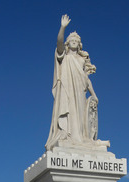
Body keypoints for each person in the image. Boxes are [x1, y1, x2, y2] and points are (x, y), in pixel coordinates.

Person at [45, 14, 104, 151]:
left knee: (81, 118)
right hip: (67, 90)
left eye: (76, 41)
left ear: (79, 45)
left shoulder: (81, 60)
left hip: (80, 92)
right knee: (69, 114)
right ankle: (68, 136)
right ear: (68, 42)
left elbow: (86, 79)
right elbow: (59, 43)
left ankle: (82, 139)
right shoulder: (63, 56)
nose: (74, 42)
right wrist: (63, 28)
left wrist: (94, 94)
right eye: (71, 40)